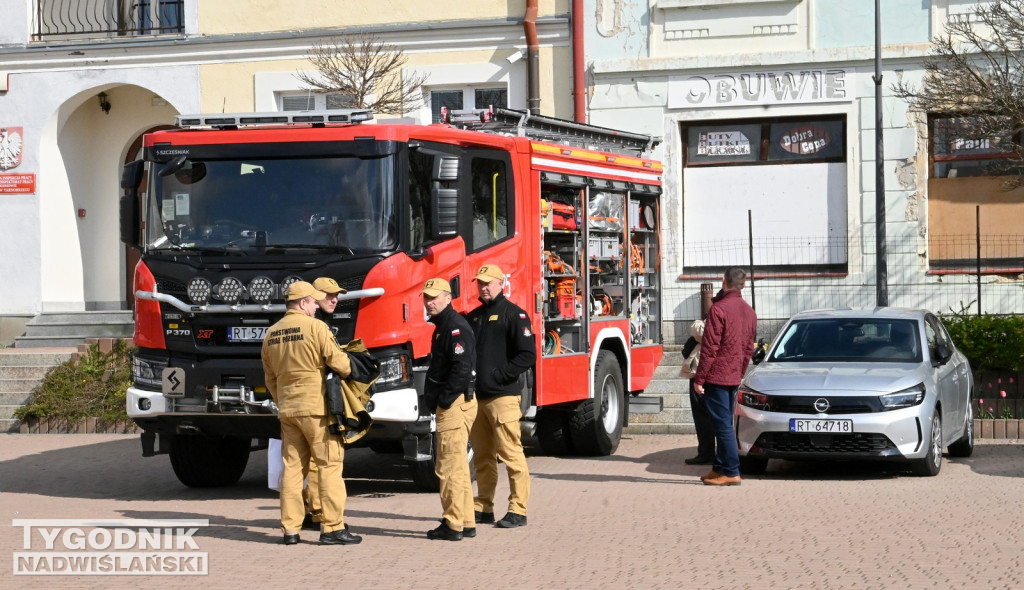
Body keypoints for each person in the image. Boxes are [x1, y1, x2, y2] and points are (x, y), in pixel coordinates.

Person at [261, 281, 362, 545]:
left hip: (288, 410)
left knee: (293, 470)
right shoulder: (316, 327)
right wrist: (355, 366)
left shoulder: (271, 334)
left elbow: (270, 378)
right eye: (313, 302)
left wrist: (283, 401)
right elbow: (340, 363)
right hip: (317, 409)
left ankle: (291, 530)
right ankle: (332, 528)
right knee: (329, 465)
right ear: (303, 302)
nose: (317, 306)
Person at [465, 264, 535, 529]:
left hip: (503, 397)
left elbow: (527, 355)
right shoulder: (474, 317)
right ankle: (483, 506)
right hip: (478, 398)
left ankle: (518, 509)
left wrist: (500, 375)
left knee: (511, 453)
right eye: (480, 283)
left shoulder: (514, 314)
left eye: (487, 282)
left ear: (500, 283)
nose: (483, 287)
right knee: (482, 456)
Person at [421, 277, 479, 541]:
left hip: (455, 405)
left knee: (448, 467)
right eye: (426, 297)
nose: (429, 302)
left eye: (434, 297)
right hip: (455, 403)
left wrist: (444, 400)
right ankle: (465, 520)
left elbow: (461, 369)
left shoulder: (455, 327)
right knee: (458, 467)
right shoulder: (443, 326)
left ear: (448, 298)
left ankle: (452, 524)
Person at [692, 268, 757, 487]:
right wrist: (740, 372)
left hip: (717, 376)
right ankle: (719, 468)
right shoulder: (750, 312)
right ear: (744, 285)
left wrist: (699, 378)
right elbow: (749, 349)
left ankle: (731, 471)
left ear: (723, 281)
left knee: (722, 426)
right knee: (724, 422)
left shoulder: (718, 309)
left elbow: (710, 348)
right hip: (733, 375)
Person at [296, 277, 348, 532]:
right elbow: (337, 363)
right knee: (324, 460)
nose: (334, 299)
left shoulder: (319, 323)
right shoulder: (317, 326)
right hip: (318, 402)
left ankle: (308, 513)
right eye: (328, 295)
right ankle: (322, 516)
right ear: (313, 297)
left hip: (299, 403)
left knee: (307, 464)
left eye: (336, 295)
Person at [680, 319, 715, 466]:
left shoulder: (717, 317)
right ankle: (709, 453)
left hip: (703, 372)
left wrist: (700, 323)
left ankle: (707, 453)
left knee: (703, 415)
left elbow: (699, 332)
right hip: (713, 372)